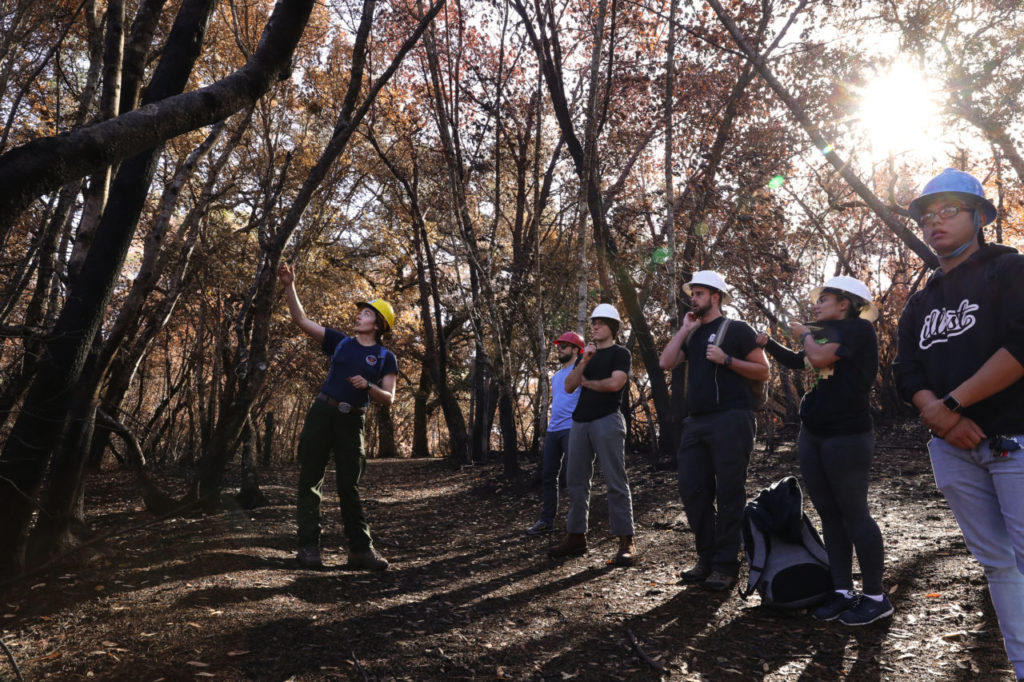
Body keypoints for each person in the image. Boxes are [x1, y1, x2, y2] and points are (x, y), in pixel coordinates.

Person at [894, 168, 1024, 678]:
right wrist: (943, 419)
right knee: (997, 565)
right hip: (953, 449)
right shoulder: (921, 299)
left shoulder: (1009, 270)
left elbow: (1020, 344)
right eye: (927, 216)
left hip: (1014, 436)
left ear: (980, 217)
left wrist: (951, 406)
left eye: (949, 211)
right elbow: (906, 370)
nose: (934, 223)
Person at [755, 276, 892, 625]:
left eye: (824, 298)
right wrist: (768, 343)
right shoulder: (827, 335)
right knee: (829, 515)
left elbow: (816, 357)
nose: (816, 304)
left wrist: (803, 331)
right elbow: (801, 361)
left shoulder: (858, 330)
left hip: (847, 435)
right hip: (813, 434)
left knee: (854, 513)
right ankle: (842, 591)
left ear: (844, 304)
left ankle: (876, 597)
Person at [278, 263, 398, 571]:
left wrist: (368, 386)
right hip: (322, 413)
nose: (359, 315)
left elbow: (388, 398)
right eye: (361, 313)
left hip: (351, 421)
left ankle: (360, 550)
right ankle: (308, 548)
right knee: (309, 480)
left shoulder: (386, 358)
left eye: (367, 314)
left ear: (378, 325)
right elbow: (301, 320)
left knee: (349, 486)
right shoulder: (340, 341)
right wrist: (290, 285)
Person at [659, 270, 769, 591]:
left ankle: (725, 564)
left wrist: (727, 359)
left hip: (732, 419)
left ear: (715, 297)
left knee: (729, 491)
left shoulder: (737, 329)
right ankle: (706, 558)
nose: (693, 299)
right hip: (697, 422)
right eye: (692, 294)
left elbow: (763, 371)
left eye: (699, 294)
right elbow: (666, 362)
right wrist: (684, 330)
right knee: (692, 490)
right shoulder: (692, 335)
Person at [548, 304, 636, 566]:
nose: (594, 326)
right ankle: (576, 536)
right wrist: (584, 360)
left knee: (615, 480)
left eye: (600, 322)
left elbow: (615, 384)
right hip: (579, 423)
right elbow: (569, 385)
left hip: (607, 420)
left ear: (613, 327)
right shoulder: (586, 356)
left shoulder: (621, 353)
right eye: (593, 322)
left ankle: (626, 540)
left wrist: (589, 383)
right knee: (575, 482)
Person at [526, 331, 584, 535]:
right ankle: (546, 521)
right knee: (548, 476)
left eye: (564, 346)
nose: (559, 349)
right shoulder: (556, 377)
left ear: (576, 350)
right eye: (558, 346)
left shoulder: (582, 372)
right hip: (553, 430)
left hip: (572, 429)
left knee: (573, 477)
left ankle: (576, 526)